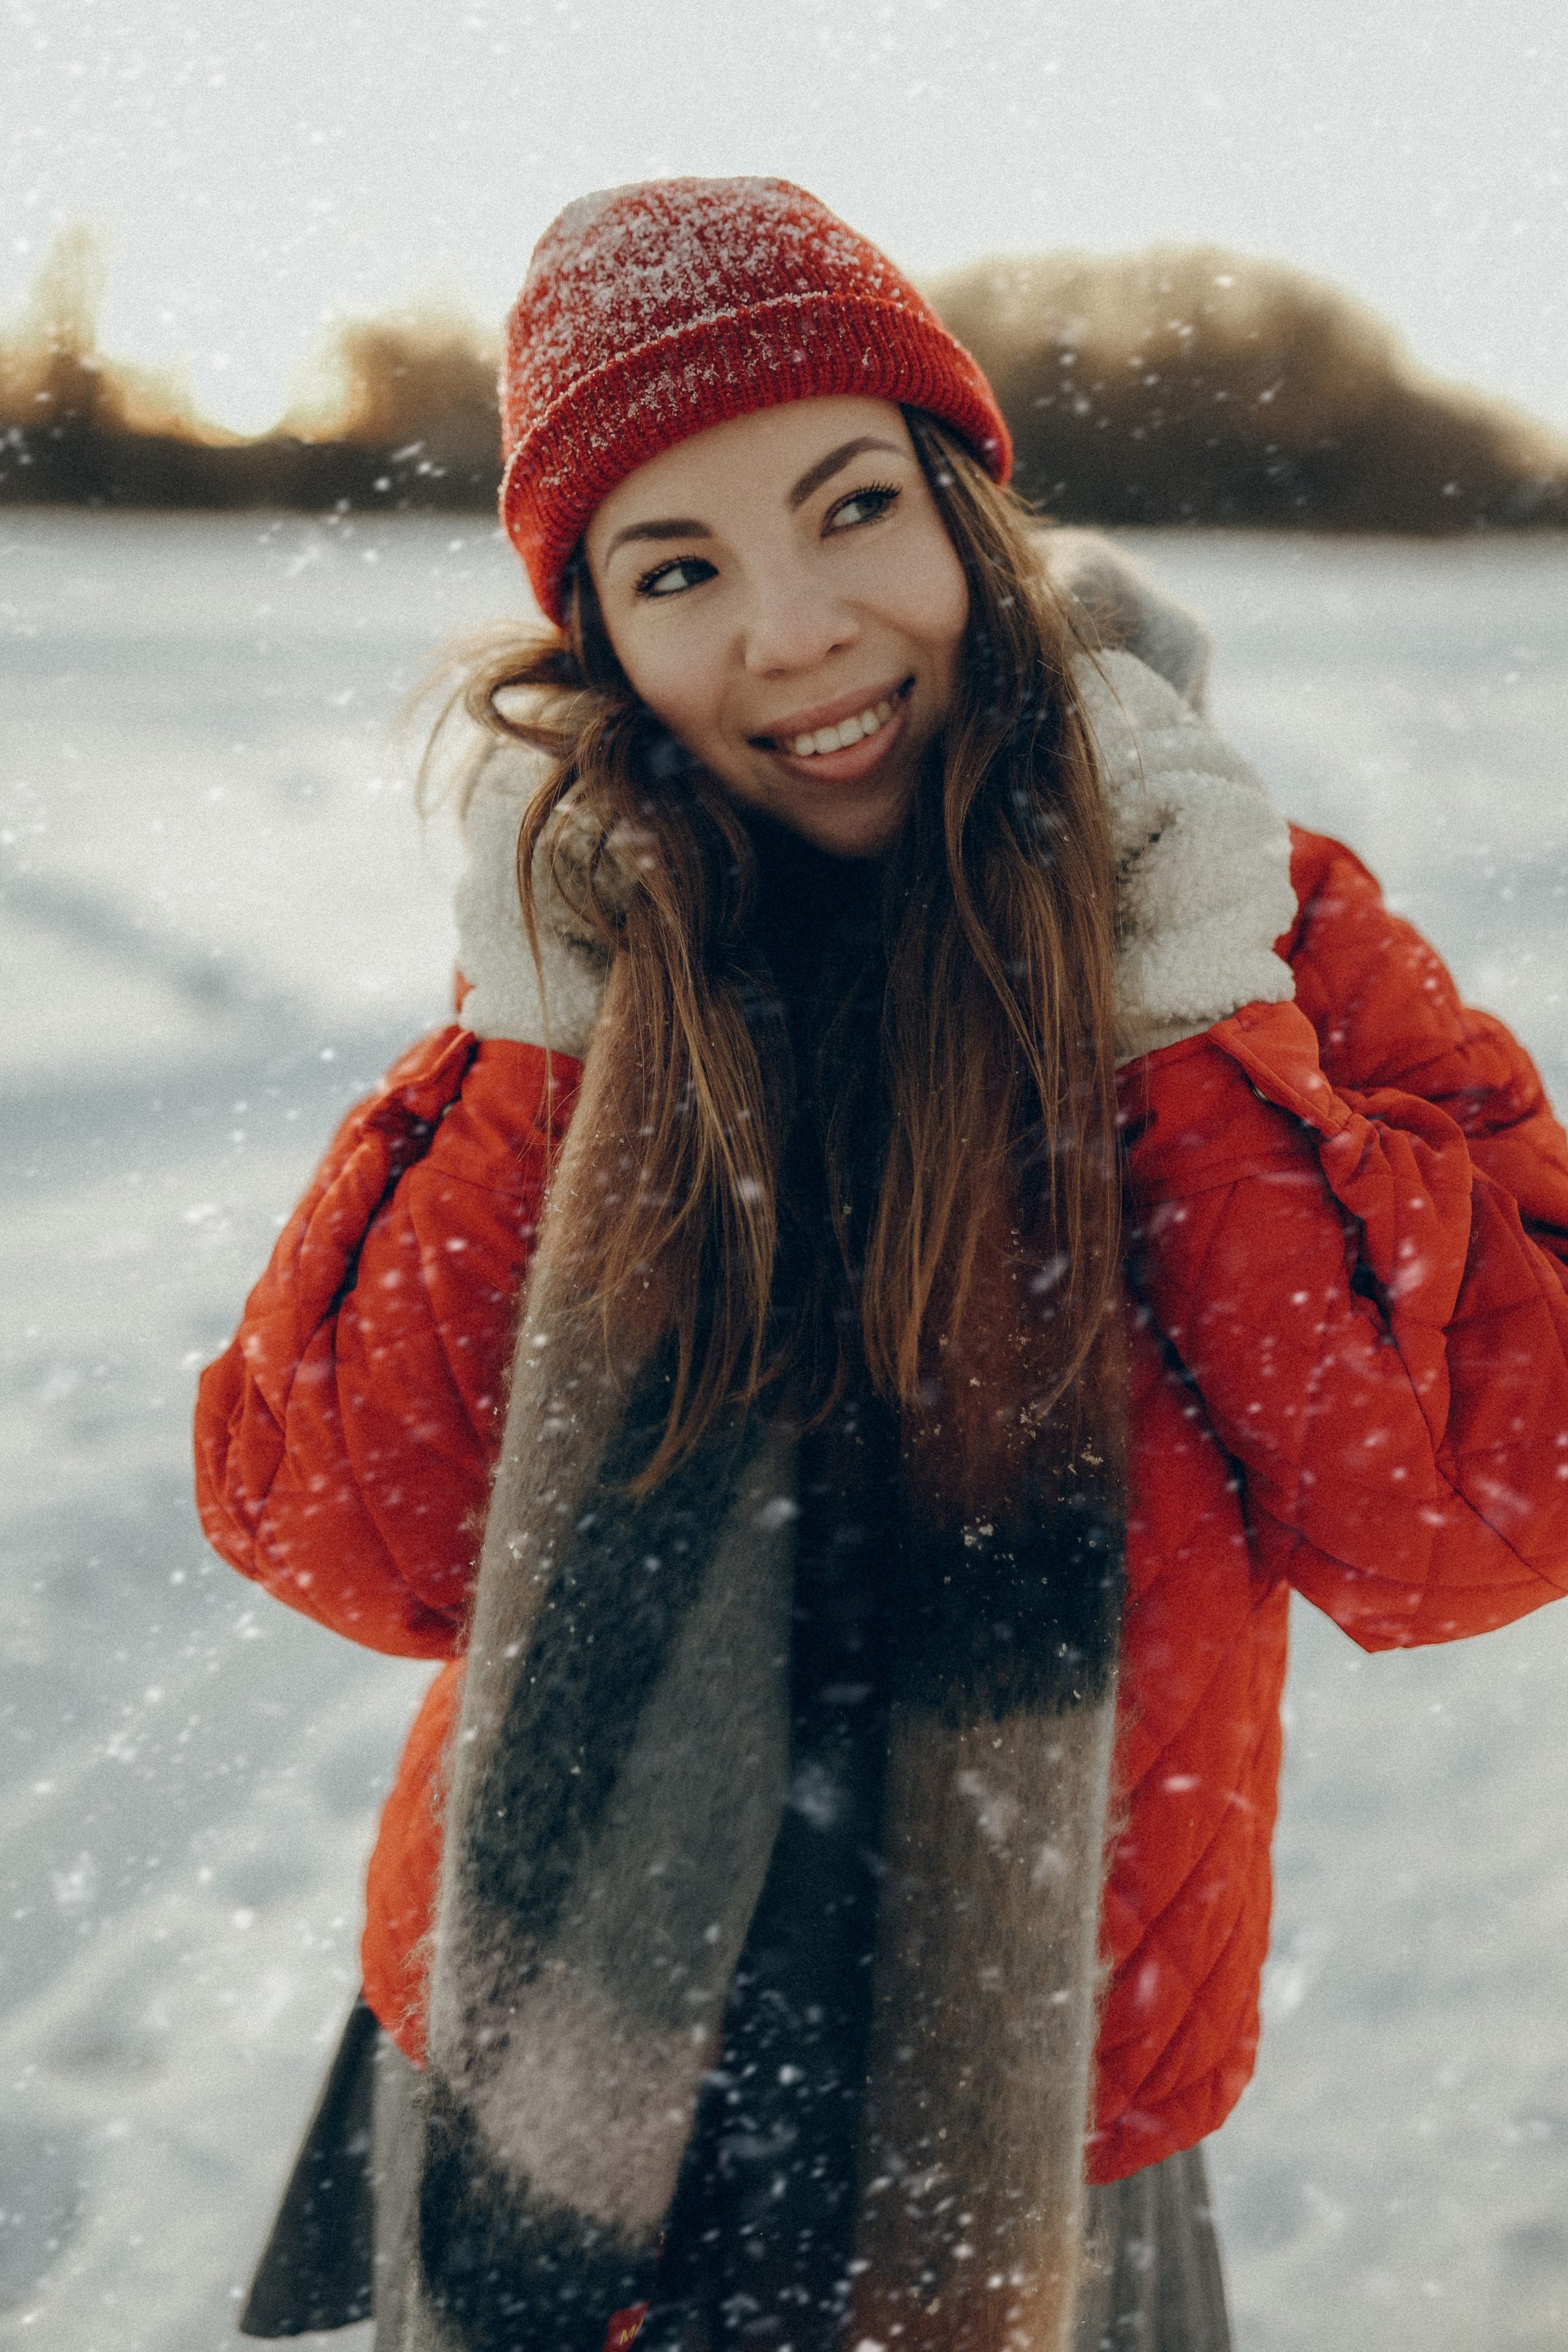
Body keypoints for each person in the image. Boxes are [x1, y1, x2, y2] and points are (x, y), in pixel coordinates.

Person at [195, 178, 1568, 2352]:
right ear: (601, 647)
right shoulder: (587, 969)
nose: (798, 629)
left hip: (1029, 2109)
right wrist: (539, 1031)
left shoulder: (1258, 921)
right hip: (550, 2073)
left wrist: (1185, 1002)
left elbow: (1479, 1514)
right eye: (678, 571)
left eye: (851, 509)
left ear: (968, 513)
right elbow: (349, 1528)